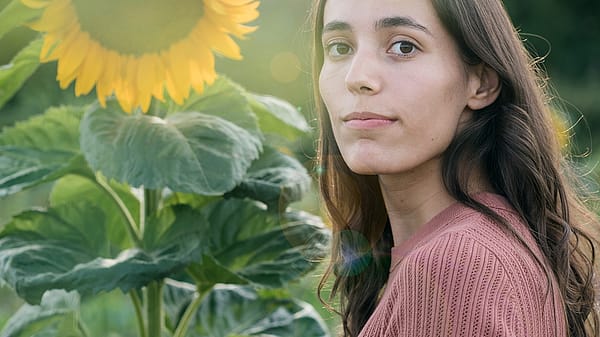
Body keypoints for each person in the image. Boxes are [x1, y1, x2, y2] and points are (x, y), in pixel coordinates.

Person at [310, 0, 599, 336]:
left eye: (404, 46)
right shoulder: (483, 246)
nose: (356, 77)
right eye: (339, 47)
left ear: (481, 82)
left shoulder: (457, 265)